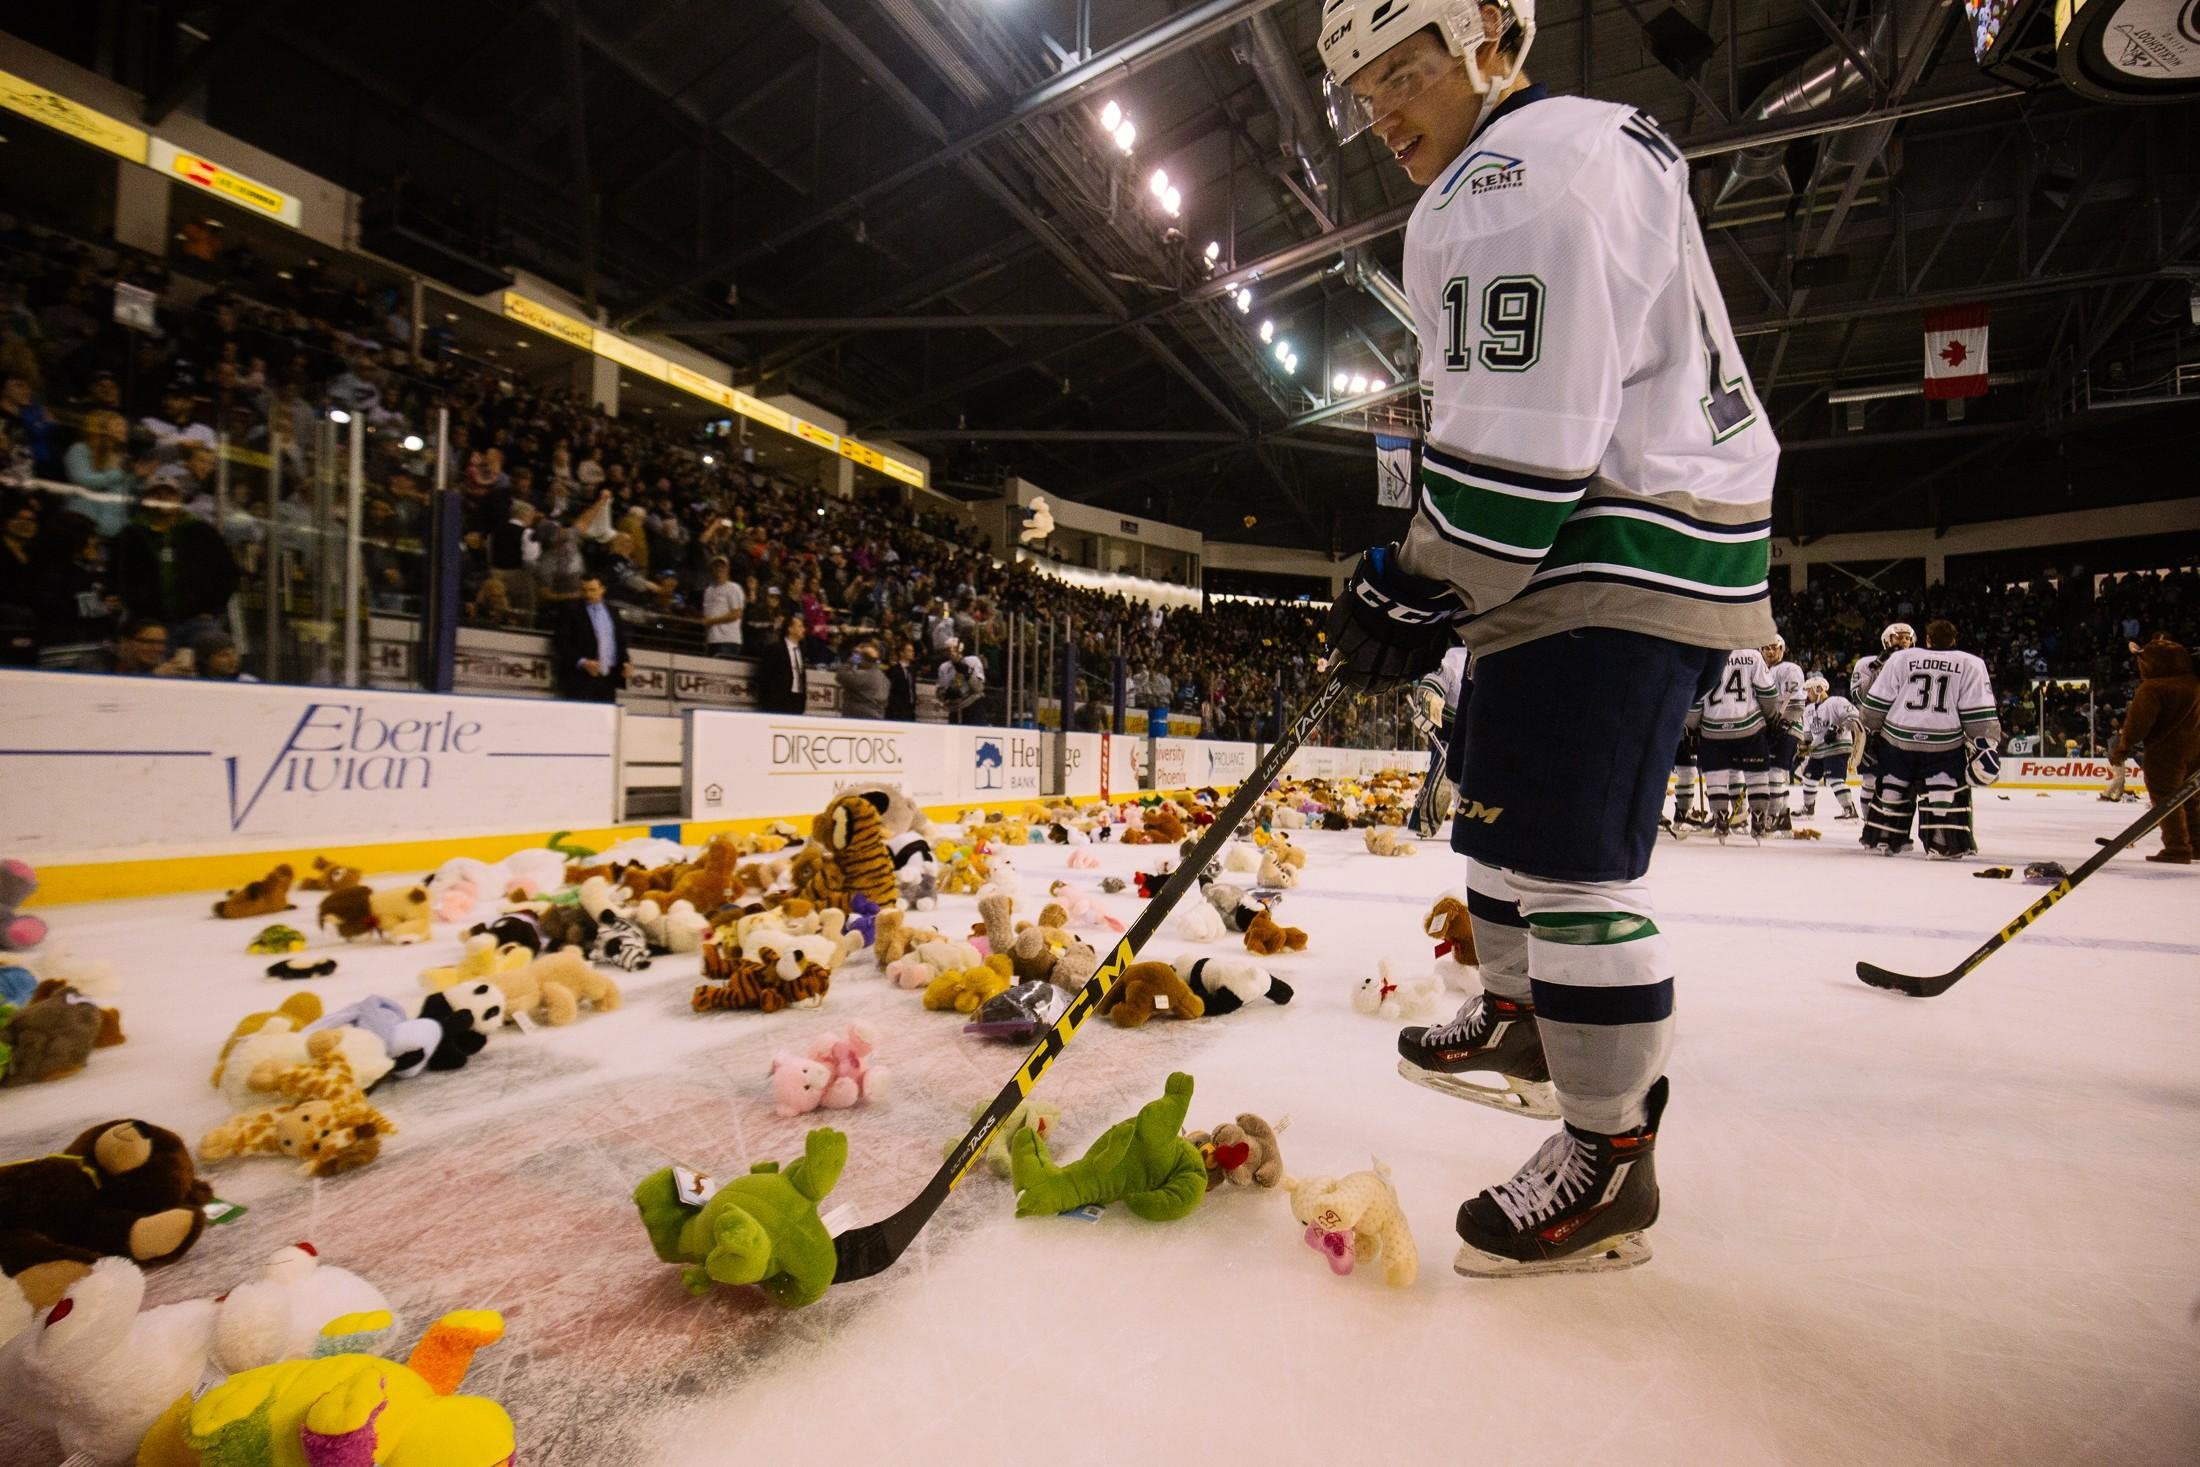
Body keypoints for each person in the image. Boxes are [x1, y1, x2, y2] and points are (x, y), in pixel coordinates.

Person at [1319, 0, 1777, 1277]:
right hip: (1571, 552)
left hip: (1606, 548)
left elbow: (1522, 444)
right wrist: (1435, 581)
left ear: (1484, 42)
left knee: (1573, 870)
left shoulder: (1513, 177)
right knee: (1504, 828)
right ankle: (1522, 1020)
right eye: (1363, 93)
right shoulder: (1553, 153)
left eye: (1401, 75)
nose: (1383, 114)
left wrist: (1415, 579)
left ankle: (1606, 1158)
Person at [1858, 619, 2000, 858]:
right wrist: (1985, 745)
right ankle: (1942, 844)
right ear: (1954, 640)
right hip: (1944, 743)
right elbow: (1979, 715)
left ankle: (1883, 840)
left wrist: (1871, 730)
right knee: (1942, 791)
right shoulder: (1971, 663)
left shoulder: (1901, 659)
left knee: (1892, 787)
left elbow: (1875, 704)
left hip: (1897, 738)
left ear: (1928, 639)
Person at [2105, 636, 2197, 864]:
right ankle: (2196, 844)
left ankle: (2177, 848)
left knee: (2166, 800)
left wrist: (2123, 747)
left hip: (2164, 753)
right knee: (2192, 800)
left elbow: (2138, 723)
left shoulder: (2153, 688)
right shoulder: (2194, 683)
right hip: (2196, 749)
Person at [109, 483, 239, 642]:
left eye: (170, 494)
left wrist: (213, 609)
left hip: (199, 622)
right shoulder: (130, 535)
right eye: (158, 495)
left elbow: (226, 572)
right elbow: (116, 575)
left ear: (180, 498)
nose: (164, 499)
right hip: (148, 625)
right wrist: (135, 607)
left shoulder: (203, 532)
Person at [552, 575, 631, 703]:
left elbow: (619, 642)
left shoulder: (613, 612)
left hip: (608, 678)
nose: (588, 594)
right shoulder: (572, 610)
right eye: (584, 590)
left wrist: (625, 662)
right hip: (581, 678)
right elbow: (560, 642)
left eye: (592, 590)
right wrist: (582, 662)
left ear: (602, 589)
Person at [1796, 675, 1864, 821]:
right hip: (1819, 750)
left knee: (1834, 779)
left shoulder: (1837, 701)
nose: (1807, 694)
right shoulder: (1808, 710)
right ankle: (1808, 809)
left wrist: (1838, 728)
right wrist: (1802, 749)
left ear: (1818, 689)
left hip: (1837, 747)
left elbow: (1854, 717)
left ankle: (1849, 810)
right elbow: (1808, 736)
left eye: (1809, 691)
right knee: (1809, 777)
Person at [1758, 633, 1806, 831]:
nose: (1770, 652)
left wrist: (1784, 724)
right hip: (1770, 728)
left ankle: (1774, 816)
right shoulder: (1761, 671)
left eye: (1774, 648)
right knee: (1773, 772)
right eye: (1766, 648)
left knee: (1774, 772)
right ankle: (1784, 818)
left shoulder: (1789, 668)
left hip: (1787, 728)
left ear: (1782, 650)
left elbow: (1795, 700)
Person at [755, 612, 809, 714]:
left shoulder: (801, 650)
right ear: (790, 629)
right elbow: (765, 675)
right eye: (800, 626)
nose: (804, 630)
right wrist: (766, 700)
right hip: (777, 699)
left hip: (797, 698)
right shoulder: (775, 648)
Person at [700, 555, 746, 657]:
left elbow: (737, 613)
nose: (719, 569)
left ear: (728, 569)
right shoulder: (708, 590)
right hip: (711, 639)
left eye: (722, 566)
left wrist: (711, 621)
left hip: (728, 640)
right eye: (716, 566)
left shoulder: (734, 588)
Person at [836, 637, 889, 720]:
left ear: (862, 659)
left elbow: (841, 675)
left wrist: (855, 657)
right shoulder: (884, 679)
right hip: (877, 718)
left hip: (858, 719)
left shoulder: (862, 675)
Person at [884, 639, 921, 722]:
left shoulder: (913, 670)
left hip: (910, 709)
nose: (912, 653)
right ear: (901, 653)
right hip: (896, 710)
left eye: (912, 651)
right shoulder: (893, 670)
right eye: (909, 651)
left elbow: (912, 687)